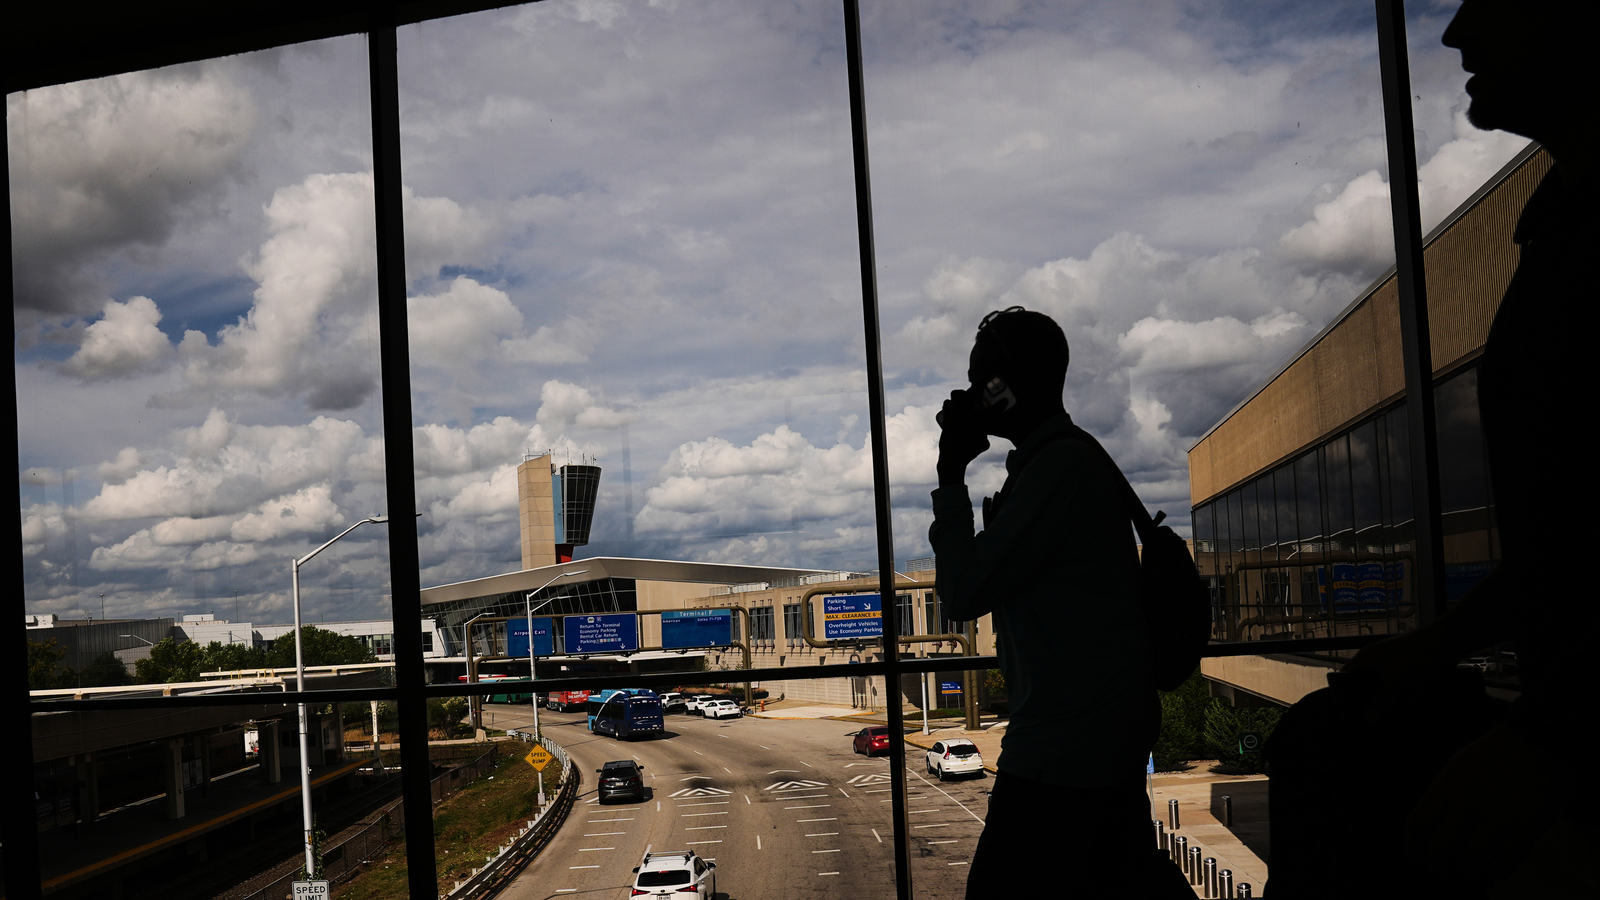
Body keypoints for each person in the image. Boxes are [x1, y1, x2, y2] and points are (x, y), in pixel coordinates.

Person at [1304, 1, 1597, 894]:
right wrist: (1447, 640)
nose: (1454, 30)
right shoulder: (1560, 222)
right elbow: (1571, 537)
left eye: (1495, 0)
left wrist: (1558, 737)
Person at [930, 307, 1190, 899]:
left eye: (981, 381)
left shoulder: (1058, 472)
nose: (971, 394)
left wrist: (950, 472)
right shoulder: (1057, 465)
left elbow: (965, 591)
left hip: (1065, 755)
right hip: (1090, 744)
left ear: (1006, 387)